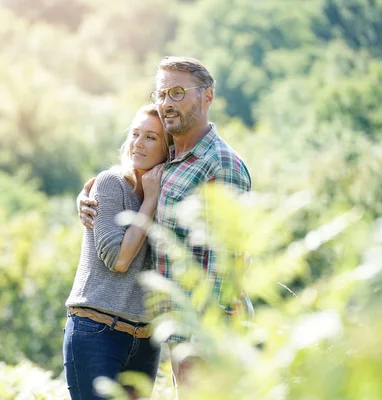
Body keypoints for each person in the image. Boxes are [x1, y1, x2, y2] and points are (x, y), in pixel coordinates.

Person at [77, 56, 252, 390]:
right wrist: (88, 194)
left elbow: (226, 265)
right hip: (168, 333)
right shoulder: (171, 158)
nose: (167, 103)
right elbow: (129, 183)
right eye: (161, 94)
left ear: (207, 96)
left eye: (177, 93)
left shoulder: (220, 164)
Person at [63, 104, 171, 400]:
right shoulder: (111, 184)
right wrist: (149, 201)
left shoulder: (170, 195)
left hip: (146, 339)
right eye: (135, 133)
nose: (138, 143)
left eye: (151, 137)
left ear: (168, 148)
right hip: (96, 332)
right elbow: (119, 260)